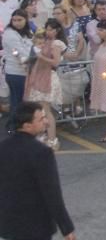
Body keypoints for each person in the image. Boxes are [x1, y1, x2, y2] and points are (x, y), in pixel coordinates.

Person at [0, 102, 76, 240]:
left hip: (10, 223)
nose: (45, 122)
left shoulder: (3, 148)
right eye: (41, 119)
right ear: (26, 125)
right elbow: (52, 193)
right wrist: (66, 227)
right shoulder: (41, 152)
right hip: (35, 226)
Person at [25, 19, 67, 149]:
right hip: (39, 76)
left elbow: (55, 63)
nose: (47, 32)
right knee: (40, 109)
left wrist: (41, 57)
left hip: (48, 77)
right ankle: (43, 136)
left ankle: (52, 139)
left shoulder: (56, 43)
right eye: (46, 29)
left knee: (46, 110)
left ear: (57, 30)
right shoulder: (46, 42)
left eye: (50, 29)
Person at [3, 9, 35, 125]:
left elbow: (32, 48)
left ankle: (13, 124)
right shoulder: (9, 34)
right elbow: (17, 52)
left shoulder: (27, 32)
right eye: (14, 20)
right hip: (16, 72)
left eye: (20, 20)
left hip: (24, 71)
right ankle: (15, 126)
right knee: (18, 101)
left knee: (17, 100)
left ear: (26, 20)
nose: (17, 22)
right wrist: (25, 62)